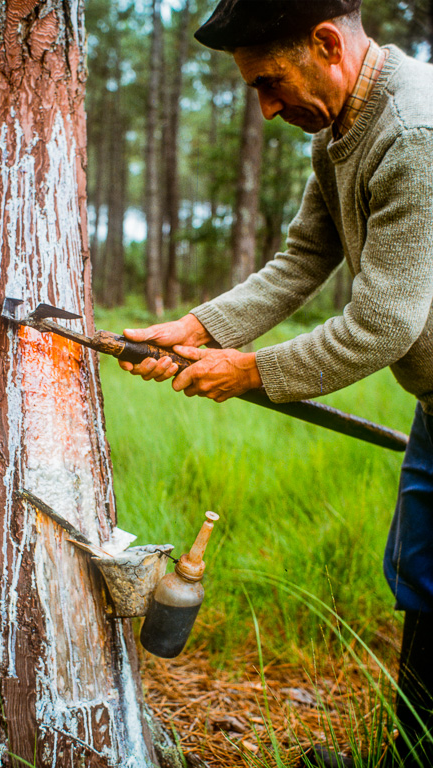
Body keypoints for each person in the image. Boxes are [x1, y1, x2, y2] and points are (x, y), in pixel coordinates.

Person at [120, 0, 433, 765]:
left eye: (269, 81)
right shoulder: (342, 127)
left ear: (327, 43)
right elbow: (303, 257)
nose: (264, 109)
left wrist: (250, 370)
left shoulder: (416, 133)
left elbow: (383, 324)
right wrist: (200, 329)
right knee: (421, 579)